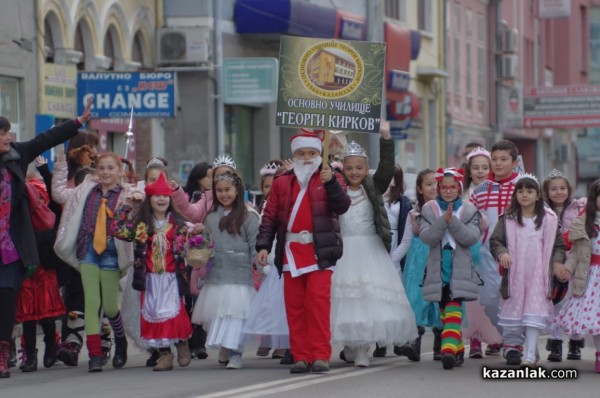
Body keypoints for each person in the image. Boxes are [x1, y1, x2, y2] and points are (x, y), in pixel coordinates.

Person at [0, 96, 93, 379]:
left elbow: (45, 139)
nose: (8, 136)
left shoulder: (16, 154)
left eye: (7, 132)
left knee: (5, 299)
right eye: (2, 133)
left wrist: (77, 122)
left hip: (9, 246)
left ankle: (2, 355)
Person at [256, 131, 351, 374]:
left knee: (317, 305)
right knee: (295, 306)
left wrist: (330, 183)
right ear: (294, 155)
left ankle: (320, 355)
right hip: (290, 252)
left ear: (319, 154)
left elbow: (342, 206)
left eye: (311, 153)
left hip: (320, 250)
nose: (306, 158)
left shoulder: (331, 176)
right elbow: (269, 217)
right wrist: (263, 245)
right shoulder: (281, 182)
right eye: (301, 153)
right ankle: (301, 356)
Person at [332, 127, 417, 368]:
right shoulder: (337, 190)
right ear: (343, 169)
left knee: (367, 299)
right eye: (349, 168)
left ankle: (362, 348)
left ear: (365, 168)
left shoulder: (373, 187)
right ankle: (350, 344)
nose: (354, 172)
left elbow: (387, 167)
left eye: (359, 168)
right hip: (344, 251)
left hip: (369, 250)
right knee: (346, 301)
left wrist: (386, 139)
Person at [53, 152, 137, 372]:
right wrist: (60, 167)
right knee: (91, 302)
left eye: (111, 168)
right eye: (102, 168)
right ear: (96, 171)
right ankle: (95, 354)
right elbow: (60, 194)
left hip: (111, 251)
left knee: (109, 306)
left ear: (119, 171)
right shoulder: (86, 190)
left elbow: (144, 202)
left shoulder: (128, 194)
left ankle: (120, 340)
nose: (106, 172)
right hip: (88, 249)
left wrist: (137, 197)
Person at [113, 172, 192, 371]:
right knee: (154, 313)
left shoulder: (178, 224)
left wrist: (197, 235)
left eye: (165, 195)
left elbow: (191, 244)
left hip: (172, 278)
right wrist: (127, 205)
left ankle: (182, 342)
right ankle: (165, 354)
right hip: (149, 279)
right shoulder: (141, 225)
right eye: (157, 195)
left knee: (176, 312)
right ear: (149, 199)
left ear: (169, 199)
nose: (161, 198)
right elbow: (118, 229)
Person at [490, 174, 566, 367]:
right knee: (516, 316)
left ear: (538, 195)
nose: (524, 195)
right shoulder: (508, 219)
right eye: (520, 191)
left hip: (539, 276)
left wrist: (557, 263)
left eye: (530, 191)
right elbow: (496, 241)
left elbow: (558, 245)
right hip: (516, 275)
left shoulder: (549, 219)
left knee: (533, 314)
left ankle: (530, 356)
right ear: (515, 195)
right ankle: (514, 346)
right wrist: (503, 253)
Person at [191, 172, 259, 369]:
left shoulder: (249, 216)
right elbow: (205, 243)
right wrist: (196, 241)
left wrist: (261, 263)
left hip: (239, 274)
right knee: (221, 314)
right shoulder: (211, 218)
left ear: (237, 190)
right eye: (219, 190)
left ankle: (236, 353)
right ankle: (226, 347)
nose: (224, 194)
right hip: (218, 274)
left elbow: (255, 245)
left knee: (237, 316)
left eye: (227, 190)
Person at [419, 168, 481, 369]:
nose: (447, 191)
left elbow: (471, 238)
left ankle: (447, 350)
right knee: (445, 310)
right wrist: (441, 220)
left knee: (454, 307)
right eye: (443, 187)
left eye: (452, 187)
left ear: (459, 188)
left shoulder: (470, 210)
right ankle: (459, 350)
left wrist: (452, 220)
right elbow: (427, 237)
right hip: (438, 267)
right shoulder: (429, 210)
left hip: (460, 267)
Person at [469, 139, 521, 364]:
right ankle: (512, 340)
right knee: (490, 300)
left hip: (521, 254)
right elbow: (467, 218)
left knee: (517, 301)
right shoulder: (480, 190)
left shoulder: (525, 185)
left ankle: (513, 345)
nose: (498, 164)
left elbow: (544, 216)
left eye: (503, 160)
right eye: (495, 160)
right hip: (489, 254)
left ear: (515, 162)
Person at [391, 169, 443, 361]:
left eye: (438, 184)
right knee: (414, 299)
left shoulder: (447, 211)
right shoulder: (414, 213)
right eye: (429, 184)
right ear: (420, 189)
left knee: (439, 299)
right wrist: (391, 262)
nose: (434, 188)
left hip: (439, 259)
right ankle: (414, 341)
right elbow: (405, 241)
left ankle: (440, 341)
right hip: (417, 262)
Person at [15, 176, 65, 372]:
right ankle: (31, 354)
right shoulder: (19, 211)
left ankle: (51, 346)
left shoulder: (46, 210)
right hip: (27, 269)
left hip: (45, 268)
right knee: (28, 315)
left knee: (46, 315)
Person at [244, 161, 291, 363]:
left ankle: (284, 343)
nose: (270, 190)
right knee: (269, 303)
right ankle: (267, 339)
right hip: (269, 260)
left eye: (275, 186)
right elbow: (264, 232)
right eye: (266, 187)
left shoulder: (287, 205)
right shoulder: (262, 209)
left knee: (285, 304)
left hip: (284, 259)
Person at [555, 178, 600, 373]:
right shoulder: (583, 223)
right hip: (592, 278)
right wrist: (567, 268)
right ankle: (599, 354)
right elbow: (575, 252)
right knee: (596, 320)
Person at [461, 147, 502, 359]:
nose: (480, 171)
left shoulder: (497, 191)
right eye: (475, 167)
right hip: (470, 249)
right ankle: (475, 339)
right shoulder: (464, 192)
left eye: (484, 167)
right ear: (469, 169)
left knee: (493, 294)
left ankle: (495, 337)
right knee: (473, 297)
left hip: (492, 250)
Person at [542, 168, 587, 362]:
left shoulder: (579, 208)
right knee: (555, 303)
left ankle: (575, 343)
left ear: (569, 189)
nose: (559, 192)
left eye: (562, 188)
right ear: (547, 191)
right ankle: (555, 343)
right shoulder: (542, 211)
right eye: (554, 189)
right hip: (552, 263)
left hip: (577, 263)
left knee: (577, 303)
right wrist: (554, 263)